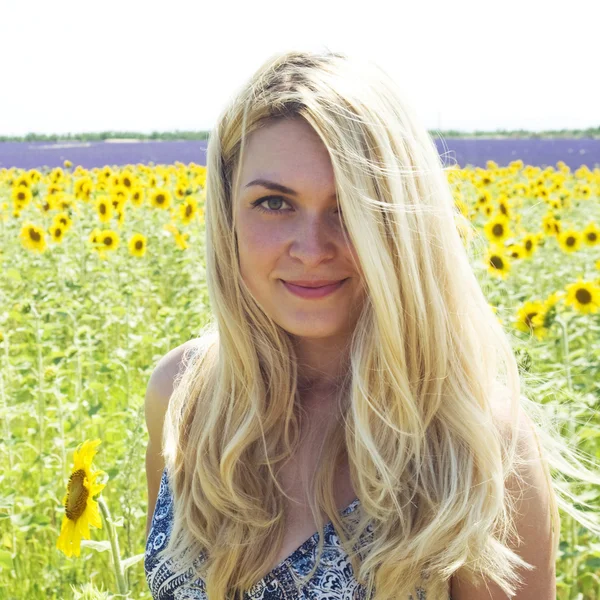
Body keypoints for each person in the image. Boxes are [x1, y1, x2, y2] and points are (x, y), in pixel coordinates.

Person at [144, 49, 598, 600]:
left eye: (350, 206)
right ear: (227, 218)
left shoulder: (476, 445)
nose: (312, 249)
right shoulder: (186, 399)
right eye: (273, 203)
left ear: (403, 221)